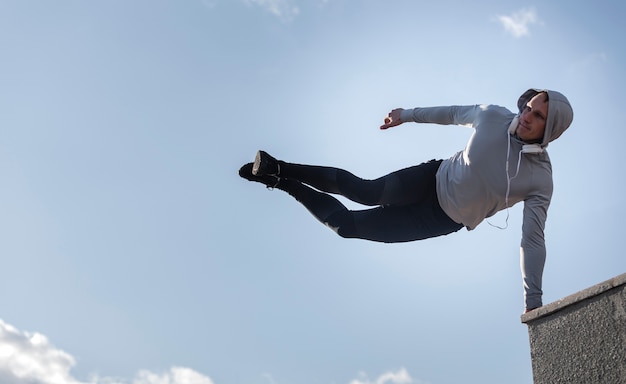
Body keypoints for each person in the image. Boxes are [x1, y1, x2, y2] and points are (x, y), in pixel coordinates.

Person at [239, 89, 574, 313]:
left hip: (441, 220)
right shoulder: (493, 116)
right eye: (529, 107)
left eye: (539, 116)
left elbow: (532, 239)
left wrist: (534, 301)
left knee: (346, 228)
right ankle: (277, 165)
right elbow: (453, 112)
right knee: (365, 191)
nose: (527, 115)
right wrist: (407, 114)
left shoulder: (540, 179)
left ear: (552, 129)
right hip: (430, 179)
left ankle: (281, 183)